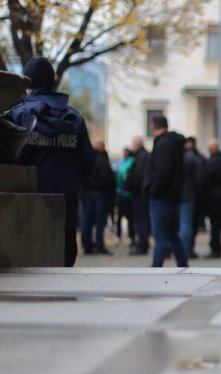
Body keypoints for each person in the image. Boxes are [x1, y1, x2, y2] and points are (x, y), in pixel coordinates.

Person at [9, 57, 96, 267]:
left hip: (25, 212)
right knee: (64, 271)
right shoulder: (74, 119)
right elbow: (88, 161)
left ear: (26, 83)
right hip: (65, 210)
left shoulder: (18, 115)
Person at [145, 115, 188, 268]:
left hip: (162, 198)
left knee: (161, 236)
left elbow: (163, 172)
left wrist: (154, 190)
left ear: (153, 126)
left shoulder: (163, 145)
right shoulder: (174, 143)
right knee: (172, 234)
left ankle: (156, 269)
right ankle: (182, 263)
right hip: (173, 197)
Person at [80, 139, 116, 255]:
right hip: (101, 194)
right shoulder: (103, 160)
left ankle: (87, 245)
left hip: (87, 193)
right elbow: (108, 179)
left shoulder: (86, 159)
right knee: (100, 221)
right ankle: (99, 245)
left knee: (87, 220)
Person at [179, 137, 206, 259]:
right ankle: (185, 250)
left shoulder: (178, 156)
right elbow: (199, 179)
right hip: (189, 194)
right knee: (186, 223)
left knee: (180, 223)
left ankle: (178, 249)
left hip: (178, 194)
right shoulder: (193, 158)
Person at [126, 136, 151, 255]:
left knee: (141, 220)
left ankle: (142, 245)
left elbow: (138, 176)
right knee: (142, 220)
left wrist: (131, 186)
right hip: (141, 193)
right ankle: (143, 243)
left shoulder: (141, 156)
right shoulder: (143, 155)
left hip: (139, 194)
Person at [114, 147, 136, 249]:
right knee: (120, 217)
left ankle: (130, 237)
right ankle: (119, 236)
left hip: (126, 194)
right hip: (122, 194)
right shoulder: (121, 163)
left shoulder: (130, 163)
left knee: (129, 218)